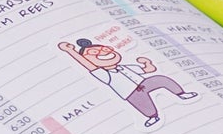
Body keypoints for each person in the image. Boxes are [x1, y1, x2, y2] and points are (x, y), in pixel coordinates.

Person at [57, 37, 195, 128]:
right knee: (145, 106)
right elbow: (88, 65)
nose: (102, 53)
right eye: (94, 52)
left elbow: (147, 70)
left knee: (163, 80)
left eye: (104, 49)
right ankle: (152, 117)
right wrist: (71, 51)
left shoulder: (125, 66)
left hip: (144, 82)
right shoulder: (104, 74)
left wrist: (147, 64)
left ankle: (181, 94)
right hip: (131, 93)